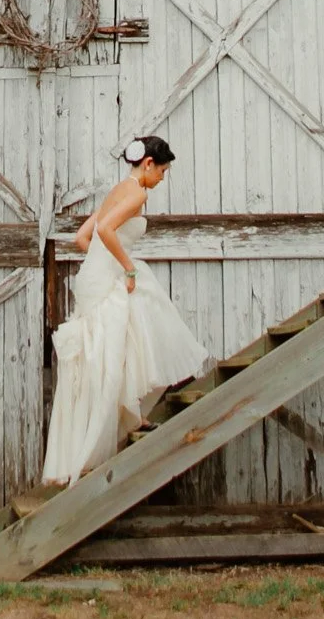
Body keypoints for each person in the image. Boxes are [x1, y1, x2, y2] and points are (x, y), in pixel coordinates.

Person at [41, 137, 210, 484]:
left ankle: (127, 418)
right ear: (147, 163)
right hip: (107, 276)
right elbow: (104, 230)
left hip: (92, 276)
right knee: (126, 339)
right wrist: (127, 268)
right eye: (162, 170)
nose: (163, 178)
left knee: (108, 350)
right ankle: (112, 430)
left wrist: (104, 264)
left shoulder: (116, 190)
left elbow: (82, 239)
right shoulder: (137, 193)